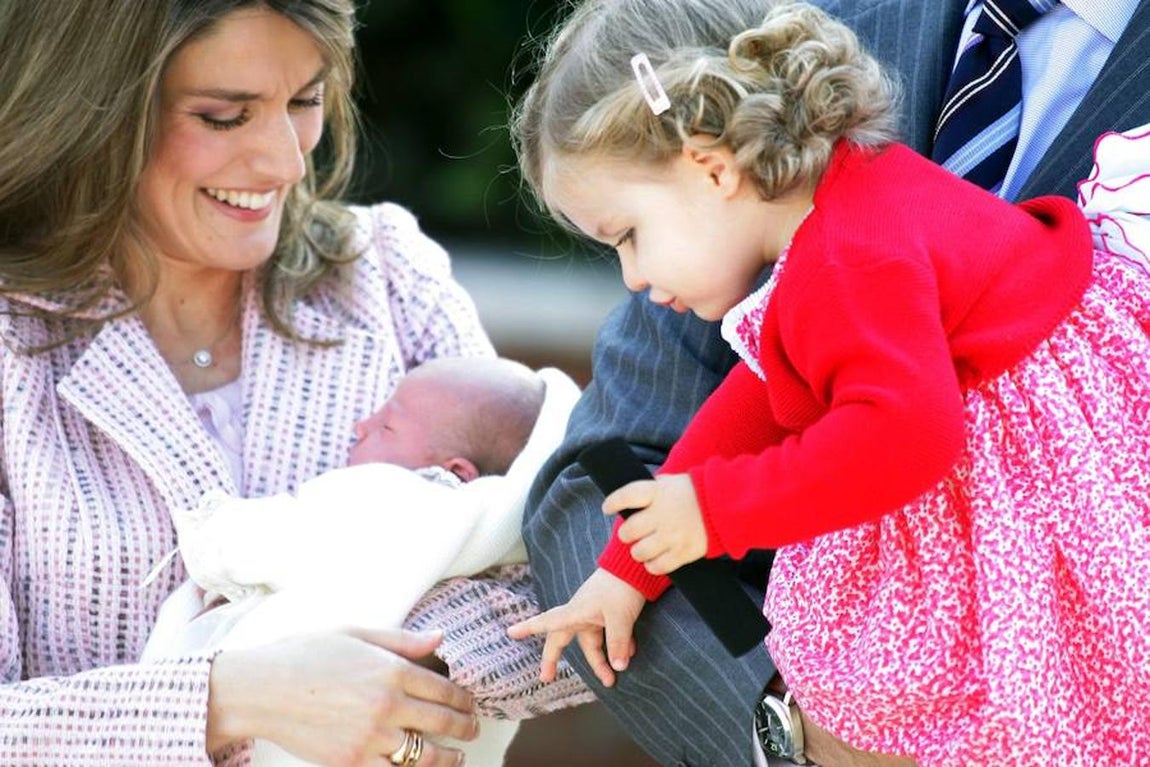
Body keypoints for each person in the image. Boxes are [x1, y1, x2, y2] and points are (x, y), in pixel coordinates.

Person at [517, 0, 1150, 765]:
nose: (633, 276)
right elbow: (755, 400)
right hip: (1031, 468)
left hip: (1063, 494)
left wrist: (716, 510)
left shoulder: (855, 254)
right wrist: (627, 567)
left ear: (713, 168)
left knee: (1046, 708)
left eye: (628, 236)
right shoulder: (842, 210)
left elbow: (907, 436)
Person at [0, 2, 551, 765]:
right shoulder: (13, 345)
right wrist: (234, 698)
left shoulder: (388, 273)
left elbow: (559, 583)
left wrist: (393, 677)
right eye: (225, 116)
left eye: (304, 100)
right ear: (91, 108)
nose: (287, 163)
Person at [141, 356, 593, 767]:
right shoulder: (506, 542)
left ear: (455, 472)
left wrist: (211, 538)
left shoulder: (398, 495)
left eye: (386, 427)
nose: (361, 426)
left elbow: (285, 538)